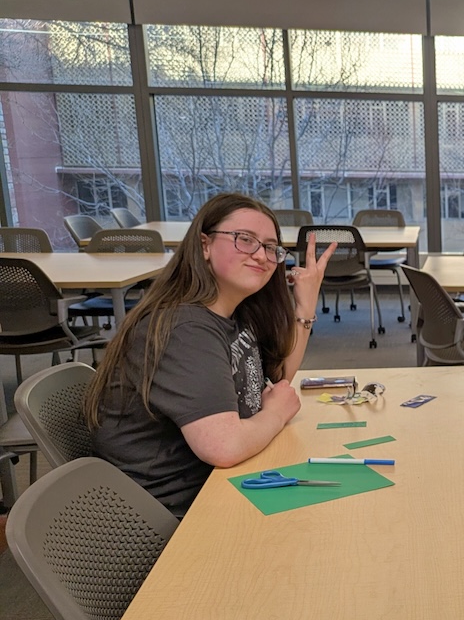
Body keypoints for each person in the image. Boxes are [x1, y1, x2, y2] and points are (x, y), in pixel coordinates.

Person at [84, 193, 335, 516]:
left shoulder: (233, 311)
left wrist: (305, 305)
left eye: (271, 248)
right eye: (245, 240)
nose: (262, 256)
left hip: (220, 485)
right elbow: (224, 446)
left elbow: (279, 379)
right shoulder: (184, 328)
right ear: (204, 245)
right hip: (175, 517)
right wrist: (275, 413)